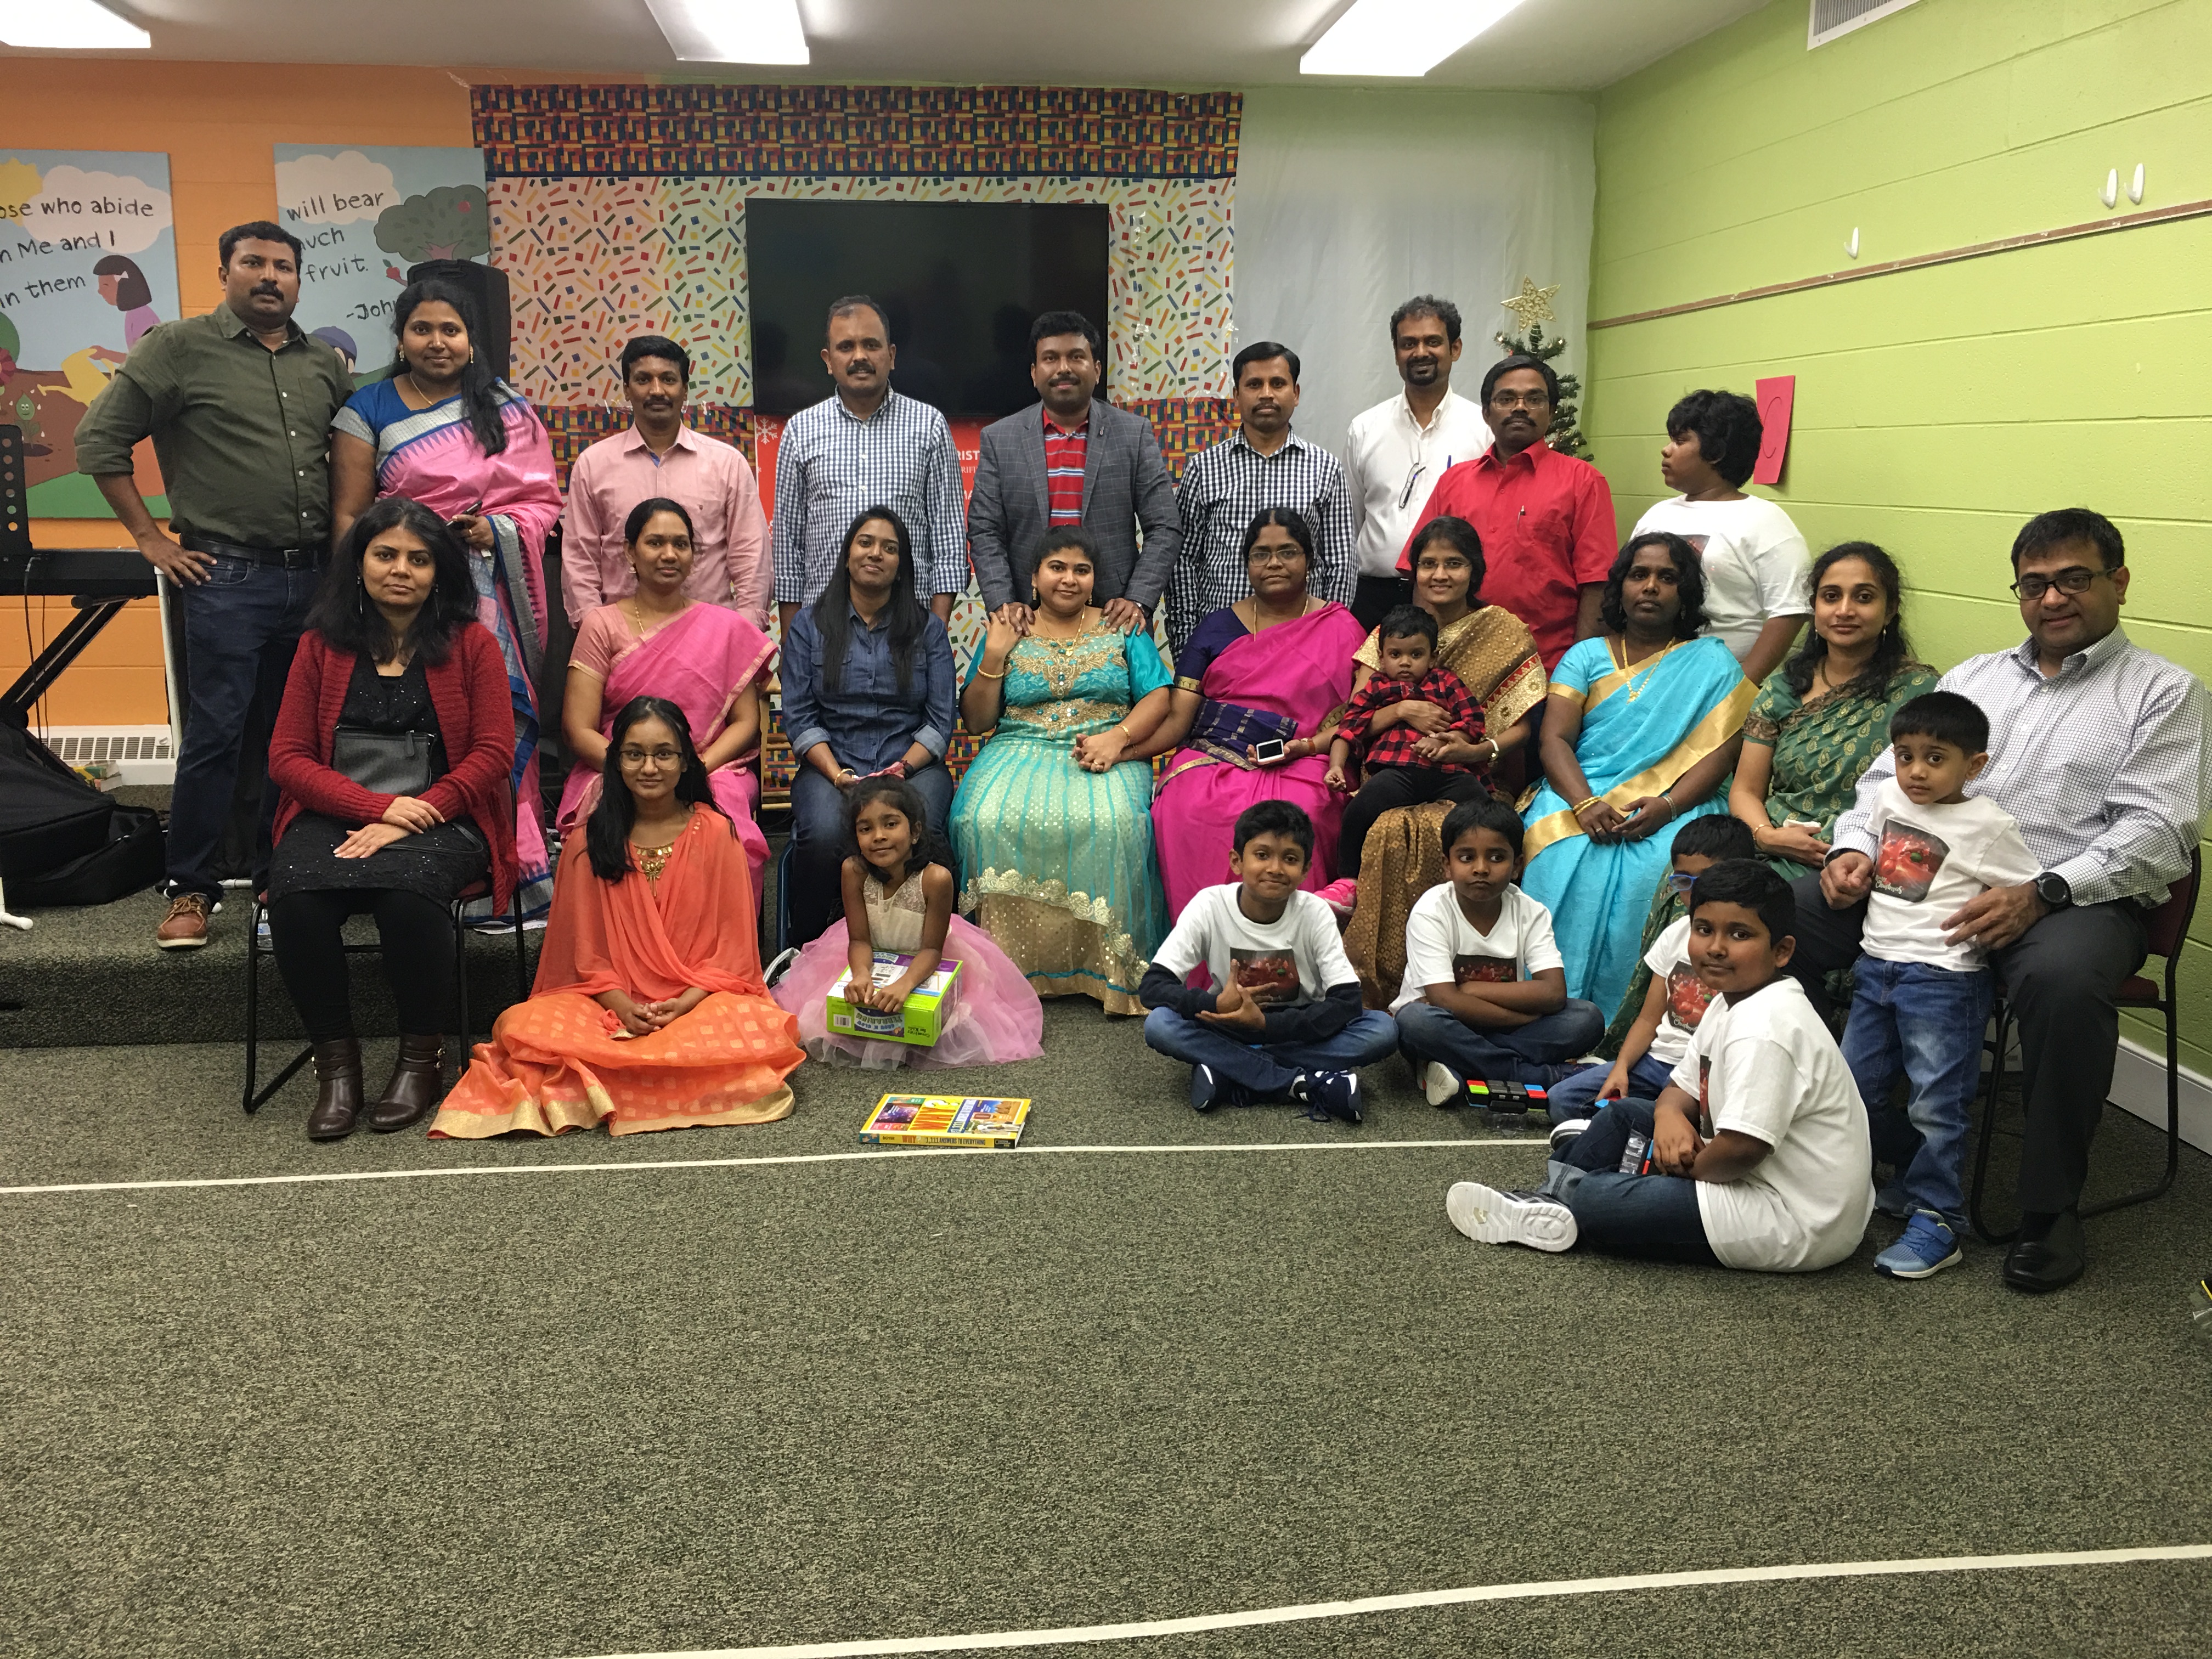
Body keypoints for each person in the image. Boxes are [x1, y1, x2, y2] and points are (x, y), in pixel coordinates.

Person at [1791, 509, 2210, 1294]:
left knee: (2062, 981)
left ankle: (2050, 1208)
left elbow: (2159, 831)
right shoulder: (1973, 677)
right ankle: (1847, 1134)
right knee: (1788, 918)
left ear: (2119, 582)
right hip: (1924, 876)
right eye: (2033, 584)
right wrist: (1853, 849)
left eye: (2073, 579)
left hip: (2074, 894)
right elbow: (1884, 782)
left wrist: (2043, 892)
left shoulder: (2165, 693)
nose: (2052, 598)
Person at [76, 220, 354, 950]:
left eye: (283, 266)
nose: (269, 276)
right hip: (226, 576)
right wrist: (149, 539)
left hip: (314, 578)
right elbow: (98, 441)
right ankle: (191, 888)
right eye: (253, 263)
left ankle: (278, 877)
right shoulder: (177, 347)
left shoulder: (323, 364)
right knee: (217, 736)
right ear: (225, 273)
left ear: (299, 280)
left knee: (295, 739)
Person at [1446, 860, 1874, 1272]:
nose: (1716, 947)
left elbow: (1743, 1150)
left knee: (1597, 1199)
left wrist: (1681, 1171)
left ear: (1782, 951)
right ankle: (1551, 1200)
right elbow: (1677, 1090)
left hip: (1796, 1219)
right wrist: (1669, 1118)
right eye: (1704, 930)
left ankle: (1576, 1195)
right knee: (1626, 1114)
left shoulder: (1767, 1027)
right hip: (1746, 1174)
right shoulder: (1731, 1000)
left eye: (1739, 934)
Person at [431, 698, 805, 1138]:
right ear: (616, 761)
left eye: (664, 754)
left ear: (686, 761)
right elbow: (583, 958)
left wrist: (684, 1004)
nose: (649, 767)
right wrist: (623, 1007)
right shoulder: (588, 842)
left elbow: (733, 955)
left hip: (697, 1003)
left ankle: (610, 1078)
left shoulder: (718, 833)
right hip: (607, 1004)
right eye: (634, 754)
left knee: (761, 1025)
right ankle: (673, 1077)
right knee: (521, 1026)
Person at [263, 498, 518, 1142]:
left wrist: (413, 816)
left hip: (445, 815)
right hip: (336, 812)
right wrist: (376, 808)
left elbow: (494, 753)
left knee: (408, 898)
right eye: (385, 555)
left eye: (419, 559)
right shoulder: (320, 646)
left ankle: (420, 1062)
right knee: (296, 898)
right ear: (359, 564)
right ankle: (337, 1070)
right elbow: (287, 757)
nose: (401, 570)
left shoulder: (473, 644)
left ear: (440, 573)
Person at [330, 276, 565, 919]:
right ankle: (414, 863)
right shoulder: (367, 408)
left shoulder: (506, 408)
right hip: (402, 597)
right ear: (401, 338)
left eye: (451, 330)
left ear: (470, 340)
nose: (438, 342)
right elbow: (350, 517)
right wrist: (358, 595)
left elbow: (541, 501)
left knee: (491, 722)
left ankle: (508, 868)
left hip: (487, 595)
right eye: (423, 329)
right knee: (423, 721)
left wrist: (497, 530)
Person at [1842, 690, 2041, 1280]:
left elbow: (2025, 891)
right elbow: (1873, 848)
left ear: (1974, 766)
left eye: (1935, 758)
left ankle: (1940, 1218)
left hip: (1944, 981)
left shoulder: (1989, 825)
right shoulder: (1887, 797)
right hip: (1876, 966)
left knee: (1936, 1103)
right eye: (1905, 756)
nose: (1916, 772)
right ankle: (1911, 1167)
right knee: (1853, 1089)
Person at [1521, 532, 1753, 1017]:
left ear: (1686, 593)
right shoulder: (1585, 656)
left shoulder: (1712, 662)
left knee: (1657, 867)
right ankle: (1537, 1003)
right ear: (1620, 586)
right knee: (1556, 852)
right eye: (1639, 575)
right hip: (1579, 789)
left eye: (1667, 578)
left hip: (1678, 797)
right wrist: (1585, 803)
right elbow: (1554, 740)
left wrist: (1669, 805)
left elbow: (1721, 754)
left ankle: (1625, 1024)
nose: (1650, 587)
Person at [950, 527, 1175, 1014]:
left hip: (1105, 746)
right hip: (1018, 745)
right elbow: (978, 721)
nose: (1069, 579)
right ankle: (1005, 971)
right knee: (981, 818)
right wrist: (995, 653)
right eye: (1057, 567)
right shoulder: (1009, 627)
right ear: (1034, 577)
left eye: (1081, 570)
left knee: (1116, 822)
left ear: (1094, 580)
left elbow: (1159, 696)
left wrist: (1119, 738)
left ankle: (1111, 973)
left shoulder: (1123, 626)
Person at [1339, 515, 1547, 1002]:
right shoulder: (1393, 630)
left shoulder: (1504, 630)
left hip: (1469, 768)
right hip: (1392, 766)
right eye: (1428, 564)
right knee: (1383, 822)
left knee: (1475, 821)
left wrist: (1474, 749)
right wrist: (1401, 710)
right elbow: (1356, 715)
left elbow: (1521, 727)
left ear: (1474, 570)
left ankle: (1475, 965)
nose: (1440, 575)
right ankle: (1367, 953)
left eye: (1454, 563)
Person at [1147, 507, 1368, 917]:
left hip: (1309, 758)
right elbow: (1179, 719)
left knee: (1308, 810)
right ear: (1246, 563)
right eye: (1261, 554)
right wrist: (1122, 747)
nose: (1274, 564)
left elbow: (1357, 717)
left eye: (1288, 552)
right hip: (1215, 756)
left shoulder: (1341, 627)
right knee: (1186, 804)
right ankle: (1203, 938)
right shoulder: (1216, 627)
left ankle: (1299, 940)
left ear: (1309, 560)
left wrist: (1305, 747)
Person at [557, 498, 774, 901]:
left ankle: (718, 939)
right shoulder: (601, 625)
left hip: (709, 766)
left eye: (681, 544)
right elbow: (578, 727)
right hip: (617, 766)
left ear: (694, 554)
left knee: (726, 826)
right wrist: (635, 769)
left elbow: (747, 723)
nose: (669, 554)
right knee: (600, 826)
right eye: (655, 542)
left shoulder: (726, 627)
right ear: (630, 552)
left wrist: (693, 770)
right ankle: (622, 937)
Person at [1139, 800, 1396, 1120]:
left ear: (1305, 870)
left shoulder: (1315, 912)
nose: (1275, 868)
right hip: (1228, 1023)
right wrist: (1216, 1004)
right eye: (1262, 855)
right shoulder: (1209, 905)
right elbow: (1153, 986)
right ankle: (1298, 1083)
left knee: (1382, 1030)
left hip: (1297, 1029)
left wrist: (1267, 1026)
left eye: (1290, 859)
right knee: (1160, 1025)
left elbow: (1346, 1002)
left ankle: (1231, 1070)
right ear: (1237, 861)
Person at [772, 776, 1043, 1068]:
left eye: (890, 824)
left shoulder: (936, 879)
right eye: (866, 829)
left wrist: (906, 985)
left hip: (927, 959)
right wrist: (861, 974)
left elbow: (932, 950)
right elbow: (860, 940)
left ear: (914, 832)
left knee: (955, 1023)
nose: (878, 836)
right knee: (832, 1013)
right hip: (873, 955)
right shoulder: (853, 870)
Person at [780, 507, 959, 946]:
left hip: (912, 765)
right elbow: (799, 716)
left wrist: (902, 770)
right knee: (824, 835)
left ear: (901, 566)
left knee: (924, 832)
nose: (876, 553)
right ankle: (809, 949)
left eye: (889, 548)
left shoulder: (928, 630)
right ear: (847, 556)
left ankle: (929, 951)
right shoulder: (808, 626)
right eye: (865, 543)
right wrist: (837, 774)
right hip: (832, 765)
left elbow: (940, 720)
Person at [1396, 352, 1617, 672]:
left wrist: (1577, 673)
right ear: (1486, 413)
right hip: (1453, 664)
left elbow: (1597, 584)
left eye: (1535, 399)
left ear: (1552, 411)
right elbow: (1423, 573)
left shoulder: (1583, 482)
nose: (1520, 408)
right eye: (1506, 399)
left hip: (1544, 665)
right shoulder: (1454, 483)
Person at [966, 309, 1181, 637]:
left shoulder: (1133, 434)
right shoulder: (1000, 439)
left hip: (1115, 619)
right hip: (1027, 621)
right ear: (1034, 373)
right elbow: (985, 530)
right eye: (1050, 358)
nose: (1063, 368)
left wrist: (1138, 599)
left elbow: (1165, 526)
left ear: (1097, 370)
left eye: (1076, 357)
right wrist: (1004, 603)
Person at [1730, 542, 1939, 877]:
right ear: (1814, 606)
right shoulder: (1782, 689)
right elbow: (1745, 791)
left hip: (1858, 859)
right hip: (1771, 843)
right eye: (1831, 597)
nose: (1844, 610)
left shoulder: (1921, 692)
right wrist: (1766, 836)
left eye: (1864, 597)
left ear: (1890, 610)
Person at [1548, 814, 1759, 1138]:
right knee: (1563, 1100)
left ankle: (1631, 1127)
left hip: (1706, 1072)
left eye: (1707, 880)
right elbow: (1648, 1020)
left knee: (1702, 1125)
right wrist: (1621, 1069)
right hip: (1657, 1063)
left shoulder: (1748, 948)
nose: (1695, 894)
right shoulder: (1674, 935)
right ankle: (1633, 1127)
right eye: (1684, 882)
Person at [771, 295, 967, 629]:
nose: (859, 356)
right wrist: (794, 638)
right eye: (846, 347)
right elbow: (788, 543)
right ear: (828, 360)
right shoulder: (800, 431)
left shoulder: (929, 426)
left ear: (891, 355)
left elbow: (948, 536)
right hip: (823, 627)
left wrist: (934, 630)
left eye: (871, 345)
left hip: (909, 627)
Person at [1391, 797, 1603, 1103]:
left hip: (1486, 1031)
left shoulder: (1530, 912)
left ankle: (1462, 1067)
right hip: (1449, 1023)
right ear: (1447, 866)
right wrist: (1523, 1019)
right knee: (1415, 1022)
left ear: (1517, 865)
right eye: (1467, 858)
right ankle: (1544, 1076)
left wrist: (1471, 989)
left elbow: (1554, 992)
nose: (1481, 869)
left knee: (1586, 1018)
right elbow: (1444, 1000)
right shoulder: (1432, 910)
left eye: (1496, 858)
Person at [562, 335, 770, 629]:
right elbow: (579, 560)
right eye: (643, 380)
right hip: (622, 641)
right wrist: (596, 631)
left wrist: (743, 633)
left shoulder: (727, 464)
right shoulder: (593, 465)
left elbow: (751, 557)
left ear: (685, 390)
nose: (657, 391)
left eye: (668, 380)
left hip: (710, 636)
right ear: (627, 389)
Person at [1166, 341, 1355, 659]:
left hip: (1303, 644)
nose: (1266, 394)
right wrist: (1189, 645)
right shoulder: (1204, 469)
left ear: (1296, 393)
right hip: (1221, 643)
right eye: (1254, 385)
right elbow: (1182, 562)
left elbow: (1340, 564)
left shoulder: (1325, 469)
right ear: (1237, 395)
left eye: (1277, 384)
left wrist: (1327, 638)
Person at [1631, 390, 1810, 685]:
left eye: (1680, 441)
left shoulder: (1766, 521)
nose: (1666, 450)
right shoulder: (1656, 515)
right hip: (1647, 674)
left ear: (1716, 453)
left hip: (1722, 679)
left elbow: (1790, 612)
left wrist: (1740, 687)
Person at [1341, 296, 1491, 630]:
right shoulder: (1364, 429)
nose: (1420, 352)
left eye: (1432, 342)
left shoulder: (1483, 429)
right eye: (1409, 344)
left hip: (1454, 597)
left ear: (1455, 349)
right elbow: (1353, 520)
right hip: (1373, 597)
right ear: (1396, 353)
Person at [1323, 605, 1489, 889]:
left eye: (1416, 655)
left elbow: (1474, 723)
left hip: (1449, 771)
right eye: (1395, 655)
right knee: (1357, 811)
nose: (1405, 663)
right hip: (1398, 773)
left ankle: (1500, 877)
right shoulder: (1376, 688)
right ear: (1381, 657)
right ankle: (1347, 882)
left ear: (1432, 657)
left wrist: (1443, 740)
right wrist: (1336, 766)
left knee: (1487, 812)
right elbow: (1347, 730)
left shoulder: (1446, 682)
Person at [93, 253, 161, 345]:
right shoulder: (135, 313)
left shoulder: (140, 315)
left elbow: (144, 353)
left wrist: (106, 353)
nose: (100, 291)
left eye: (105, 286)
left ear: (124, 285)